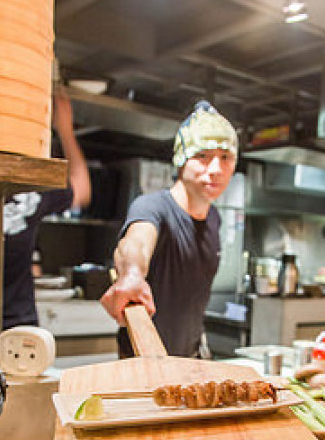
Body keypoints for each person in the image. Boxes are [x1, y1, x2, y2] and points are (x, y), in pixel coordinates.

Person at [100, 100, 238, 357]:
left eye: (225, 157)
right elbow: (135, 242)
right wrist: (131, 274)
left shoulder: (214, 218)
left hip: (192, 358)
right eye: (202, 156)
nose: (216, 169)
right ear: (181, 159)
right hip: (143, 361)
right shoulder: (152, 206)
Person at [2, 88, 91, 329]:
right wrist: (65, 130)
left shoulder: (31, 185)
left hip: (19, 323)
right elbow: (82, 188)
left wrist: (65, 130)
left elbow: (81, 191)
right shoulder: (29, 186)